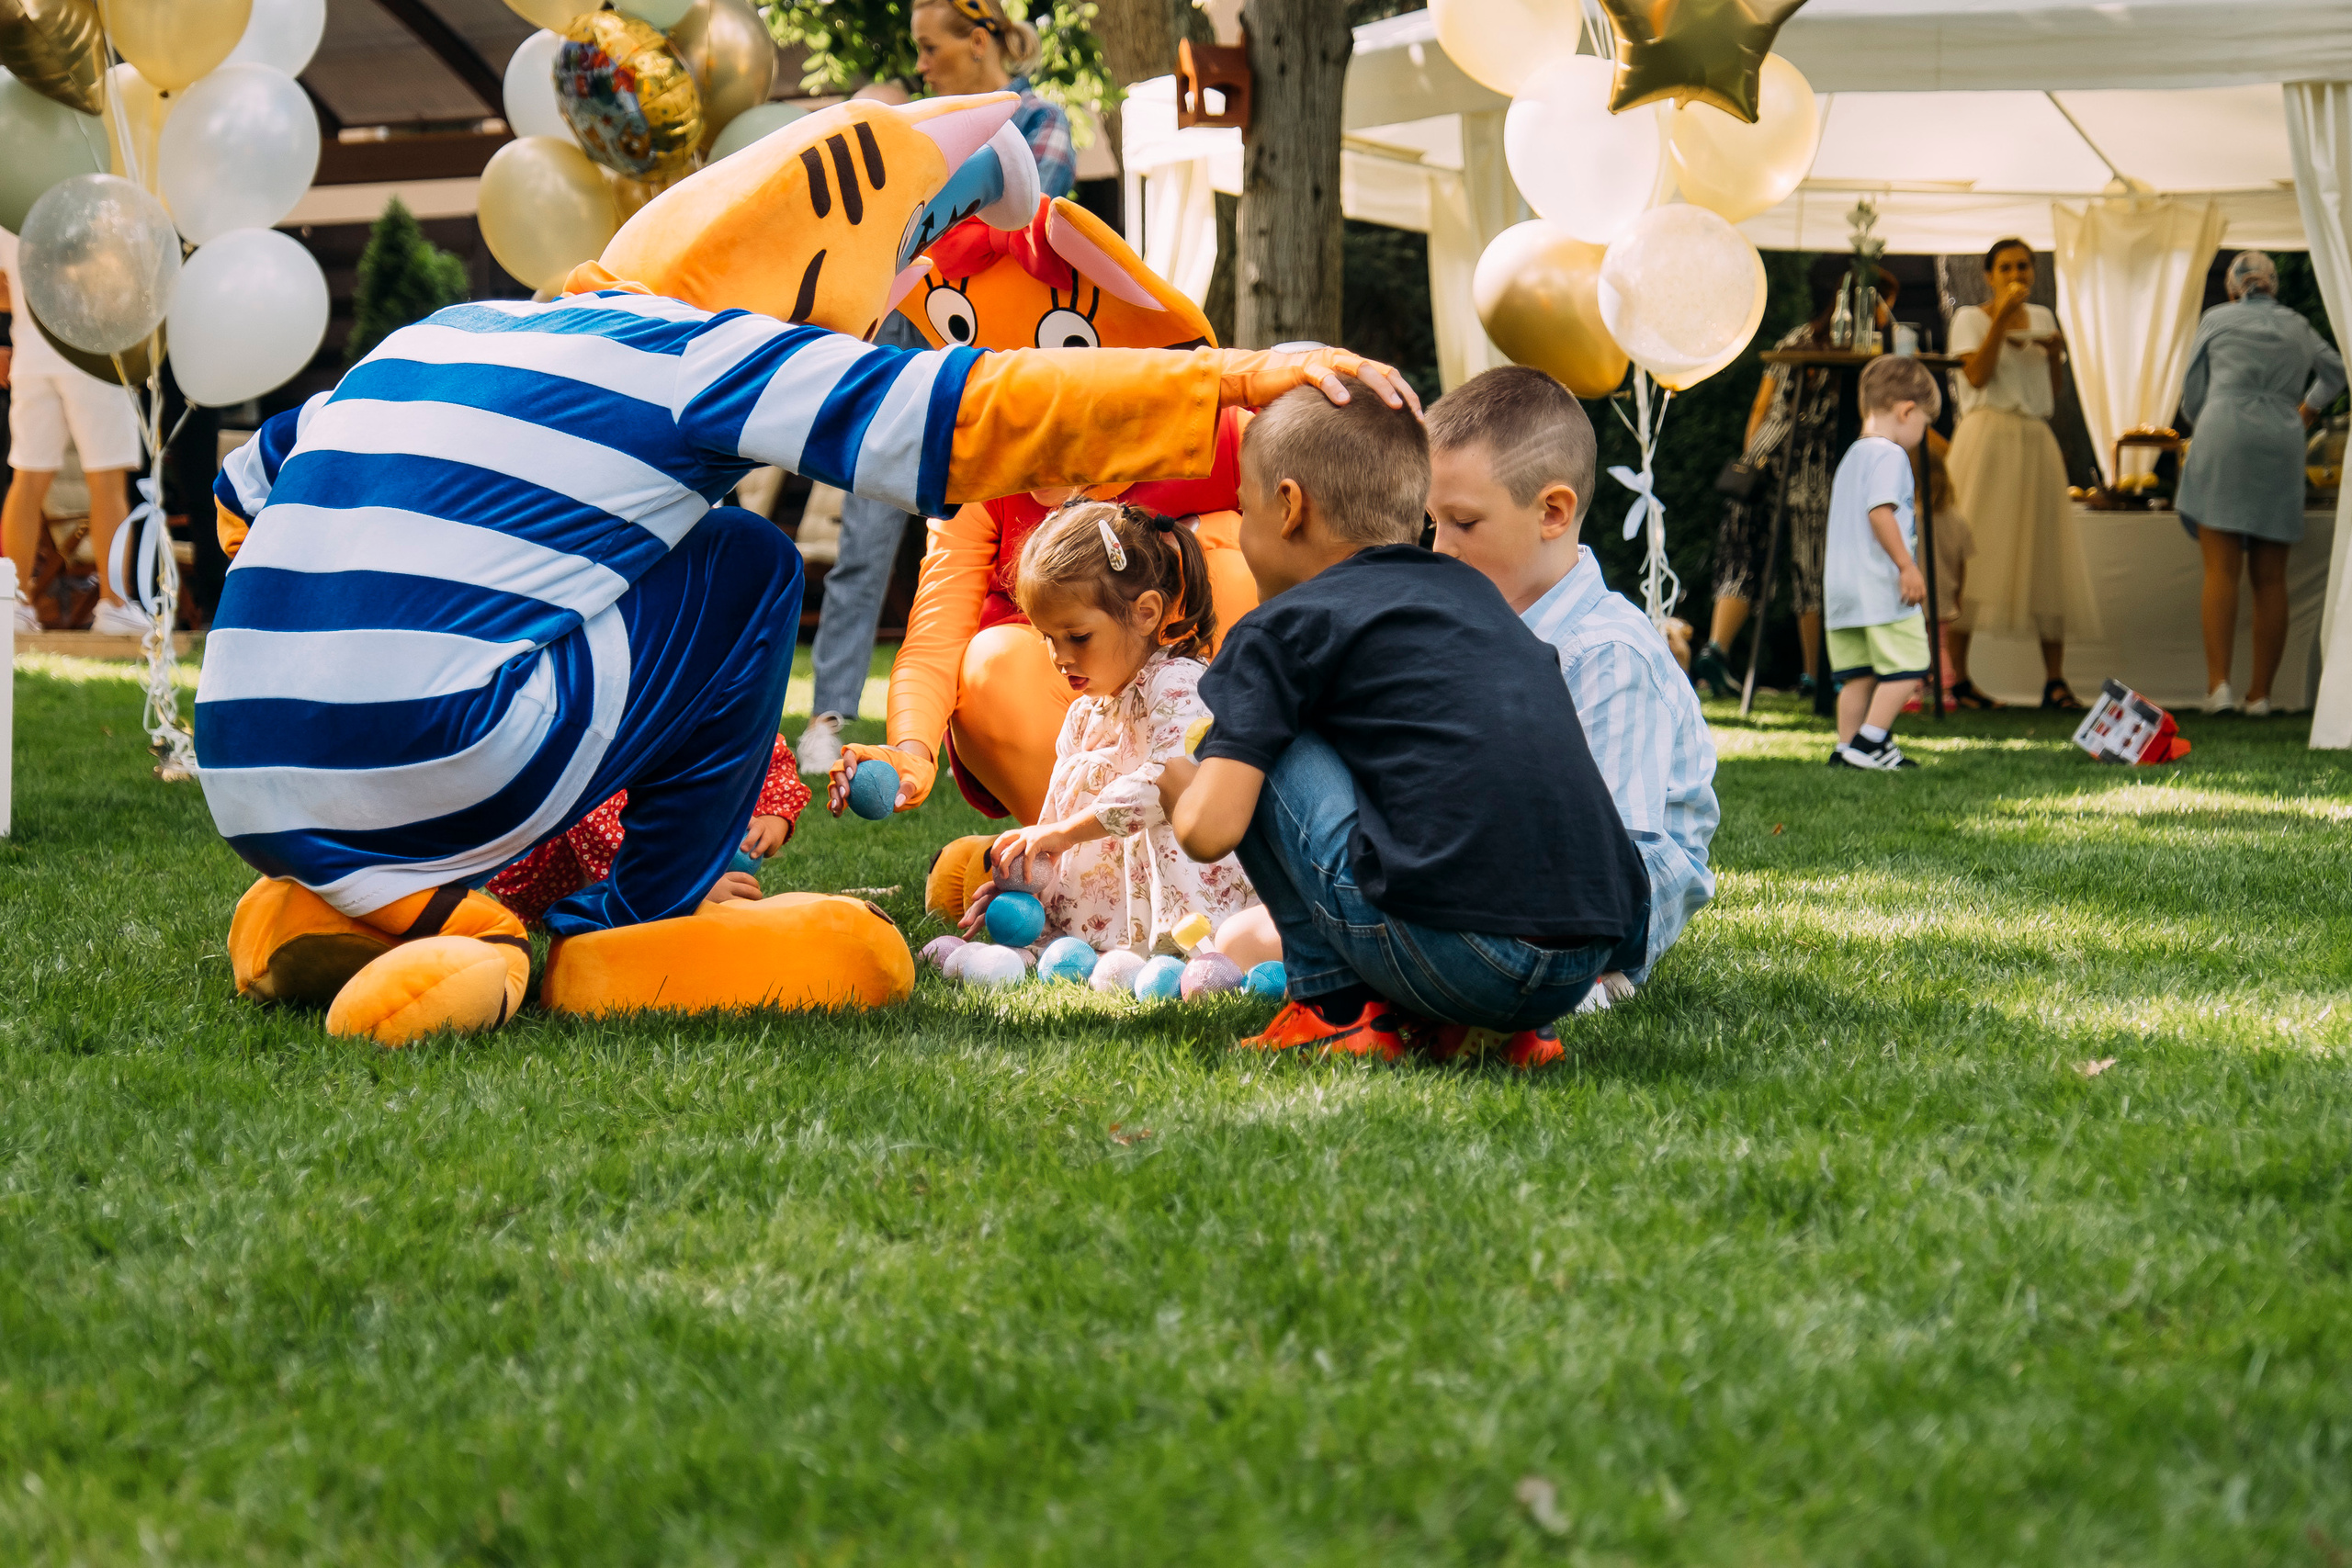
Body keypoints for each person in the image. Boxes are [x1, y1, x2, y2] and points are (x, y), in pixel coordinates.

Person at [209, 91, 1416, 1046]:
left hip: (248, 774)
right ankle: (626, 930)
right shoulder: (695, 347)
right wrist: (1229, 379)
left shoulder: (439, 336)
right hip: (445, 753)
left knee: (643, 567)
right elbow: (969, 409)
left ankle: (355, 897)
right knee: (743, 564)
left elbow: (241, 498)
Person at [1161, 378, 1649, 1069]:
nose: (1239, 532)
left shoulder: (1282, 627)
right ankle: (1497, 1033)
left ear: (1289, 505)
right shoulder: (1474, 598)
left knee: (1251, 739)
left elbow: (1209, 830)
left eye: (1243, 510)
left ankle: (1334, 1011)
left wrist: (1184, 785)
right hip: (1580, 969)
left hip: (1466, 957)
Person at [795, 0, 1080, 776]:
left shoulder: (1043, 124)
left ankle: (1018, 719)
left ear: (978, 40)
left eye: (930, 47)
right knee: (864, 550)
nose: (919, 64)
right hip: (897, 374)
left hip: (996, 382)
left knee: (1015, 557)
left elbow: (1021, 242)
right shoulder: (918, 126)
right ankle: (829, 717)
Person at [1422, 366, 1717, 997]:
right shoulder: (1478, 622)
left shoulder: (1606, 653)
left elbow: (1618, 856)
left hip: (1614, 890)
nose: (1439, 548)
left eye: (1464, 523)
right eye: (1432, 523)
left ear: (1552, 511)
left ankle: (1579, 979)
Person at [956, 500, 1256, 956]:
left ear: (1146, 613)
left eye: (1077, 637)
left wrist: (1065, 834)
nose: (1059, 657)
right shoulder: (1085, 712)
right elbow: (1055, 817)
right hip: (1109, 913)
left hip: (1189, 910)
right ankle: (1079, 940)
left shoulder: (1178, 684)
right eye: (1047, 638)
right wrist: (1026, 882)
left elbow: (1165, 783)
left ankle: (1173, 949)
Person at [1690, 259, 1897, 700]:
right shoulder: (1859, 351)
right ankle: (1812, 674)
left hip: (1763, 460)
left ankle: (1716, 650)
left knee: (1743, 559)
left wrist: (1753, 457)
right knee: (1809, 569)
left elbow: (1761, 407)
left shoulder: (1794, 339)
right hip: (1812, 469)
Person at [2176, 249, 2346, 716]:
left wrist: (2205, 417)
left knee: (2220, 570)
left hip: (2224, 428)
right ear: (2274, 285)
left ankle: (2219, 689)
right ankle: (2261, 696)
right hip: (2280, 436)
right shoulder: (2297, 325)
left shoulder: (2217, 318)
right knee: (2271, 577)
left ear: (2233, 289)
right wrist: (2307, 409)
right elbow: (2336, 370)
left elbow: (2192, 390)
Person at [1943, 238, 2096, 711]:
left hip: (2035, 438)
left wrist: (2054, 355)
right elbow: (1976, 377)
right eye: (2006, 267)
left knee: (2046, 554)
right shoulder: (1970, 317)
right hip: (1986, 438)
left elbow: (2050, 392)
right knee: (1969, 555)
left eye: (2024, 267)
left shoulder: (2046, 317)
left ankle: (2055, 681)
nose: (2017, 275)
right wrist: (2002, 319)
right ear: (1989, 274)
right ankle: (1959, 681)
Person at [483, 737, 810, 926]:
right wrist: (688, 888)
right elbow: (604, 827)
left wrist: (773, 819)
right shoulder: (619, 734)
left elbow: (764, 752)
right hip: (570, 863)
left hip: (671, 835)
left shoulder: (719, 694)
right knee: (607, 911)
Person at [0, 225, 147, 637]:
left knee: (27, 480)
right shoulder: (96, 210)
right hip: (91, 353)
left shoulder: (13, 213)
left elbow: (3, 290)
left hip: (32, 354)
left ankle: (16, 603)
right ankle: (114, 604)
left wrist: (35, 305)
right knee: (107, 482)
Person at [1824, 355, 1939, 769]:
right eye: (1924, 423)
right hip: (1879, 587)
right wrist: (1907, 566)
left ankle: (1846, 745)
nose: (1921, 433)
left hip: (1843, 593)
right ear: (1906, 410)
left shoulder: (1853, 456)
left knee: (1860, 673)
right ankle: (1871, 742)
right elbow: (1881, 512)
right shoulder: (1890, 457)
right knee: (1911, 665)